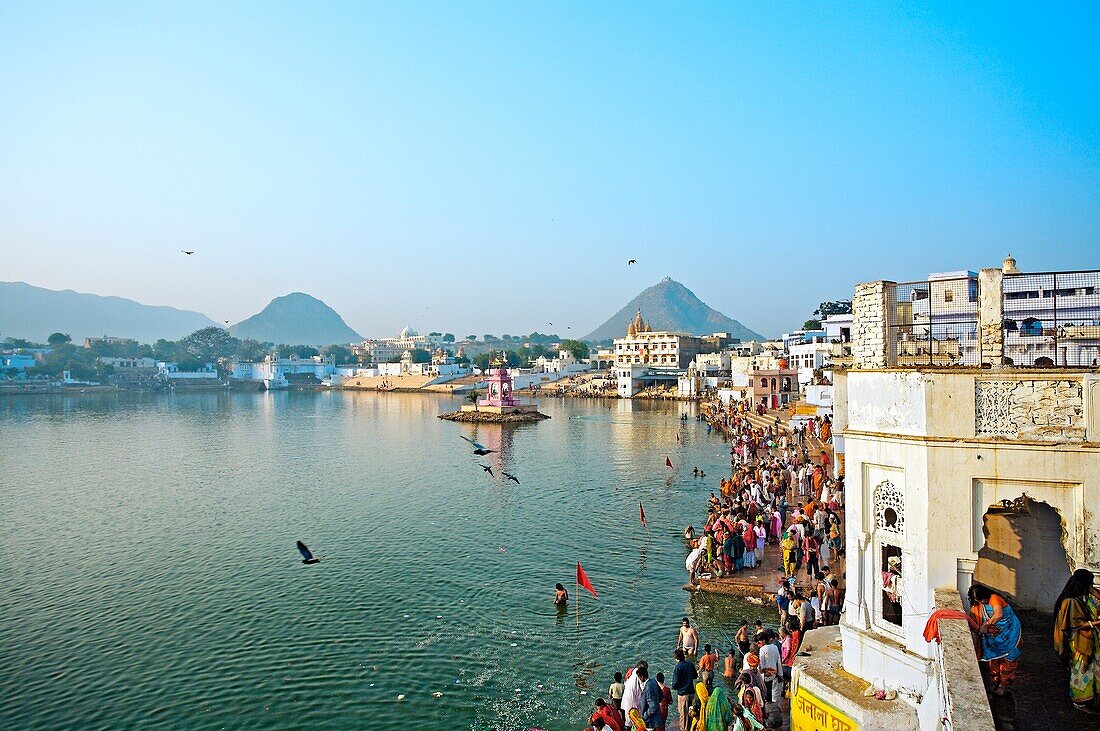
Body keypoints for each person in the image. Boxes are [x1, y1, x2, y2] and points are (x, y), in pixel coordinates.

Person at [1054, 569, 1100, 713]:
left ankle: (1092, 698)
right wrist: (1097, 623)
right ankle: (1080, 702)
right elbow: (1075, 624)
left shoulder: (1085, 597)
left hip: (1090, 640)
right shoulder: (1070, 602)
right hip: (1078, 643)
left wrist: (1093, 590)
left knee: (1092, 670)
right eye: (1090, 584)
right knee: (1081, 672)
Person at [967, 584, 1022, 696]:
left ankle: (1003, 686)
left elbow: (999, 614)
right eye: (978, 601)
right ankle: (995, 683)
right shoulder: (980, 605)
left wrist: (986, 625)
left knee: (1009, 660)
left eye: (982, 599)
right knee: (994, 660)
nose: (981, 602)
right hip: (993, 639)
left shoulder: (994, 599)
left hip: (1009, 635)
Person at [670, 649, 697, 731]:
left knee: (683, 715)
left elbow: (675, 684)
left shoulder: (678, 667)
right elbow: (695, 676)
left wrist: (674, 687)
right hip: (691, 693)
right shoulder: (690, 664)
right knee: (691, 713)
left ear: (676, 658)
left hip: (683, 694)